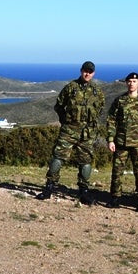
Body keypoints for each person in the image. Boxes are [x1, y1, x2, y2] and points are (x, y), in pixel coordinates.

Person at [37, 61, 106, 205]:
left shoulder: (97, 91)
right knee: (58, 157)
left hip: (87, 133)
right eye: (85, 71)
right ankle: (49, 187)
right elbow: (59, 105)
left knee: (86, 161)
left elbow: (100, 109)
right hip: (69, 130)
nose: (87, 74)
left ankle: (84, 191)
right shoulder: (71, 88)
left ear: (94, 73)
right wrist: (66, 122)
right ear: (81, 71)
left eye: (90, 71)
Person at [106, 72, 138, 212]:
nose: (132, 83)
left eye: (134, 81)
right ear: (126, 83)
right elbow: (111, 121)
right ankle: (115, 198)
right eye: (129, 81)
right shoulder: (119, 101)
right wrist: (110, 139)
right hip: (121, 143)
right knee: (117, 171)